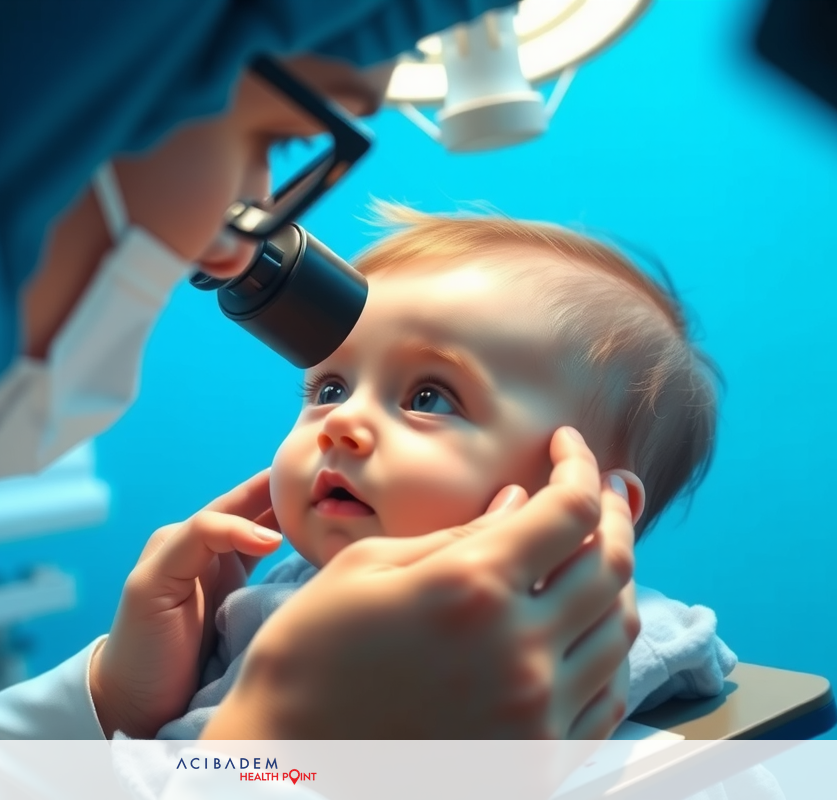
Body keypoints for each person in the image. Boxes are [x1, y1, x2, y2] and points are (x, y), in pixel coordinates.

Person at [0, 1, 640, 796]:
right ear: (38, 68)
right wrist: (281, 754)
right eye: (280, 137)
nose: (235, 246)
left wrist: (108, 709)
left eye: (429, 394)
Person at [86, 205, 732, 741]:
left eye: (429, 398)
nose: (341, 424)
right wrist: (123, 701)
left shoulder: (597, 647)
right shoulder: (256, 609)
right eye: (330, 387)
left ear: (583, 496)